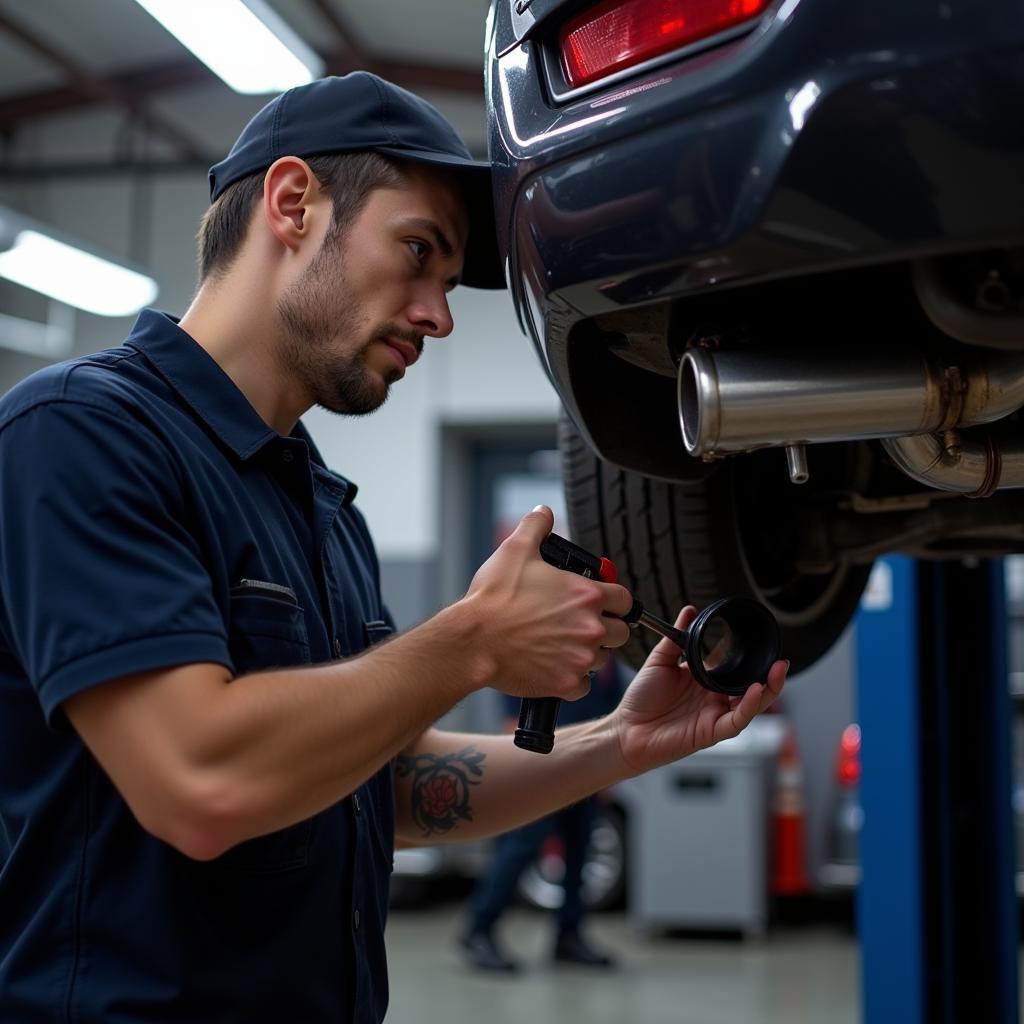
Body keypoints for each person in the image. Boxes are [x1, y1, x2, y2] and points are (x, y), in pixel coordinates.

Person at [0, 72, 787, 1024]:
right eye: (417, 252)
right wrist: (473, 642)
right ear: (293, 204)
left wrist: (618, 742)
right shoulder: (80, 433)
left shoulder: (329, 515)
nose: (438, 314)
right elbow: (196, 781)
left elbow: (391, 788)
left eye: (448, 282)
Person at [460, 656, 625, 972]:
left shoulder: (605, 651)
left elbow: (615, 706)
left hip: (588, 765)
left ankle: (569, 935)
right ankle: (479, 930)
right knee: (522, 846)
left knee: (580, 849)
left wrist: (610, 770)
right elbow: (514, 701)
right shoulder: (549, 637)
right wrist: (522, 754)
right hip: (543, 762)